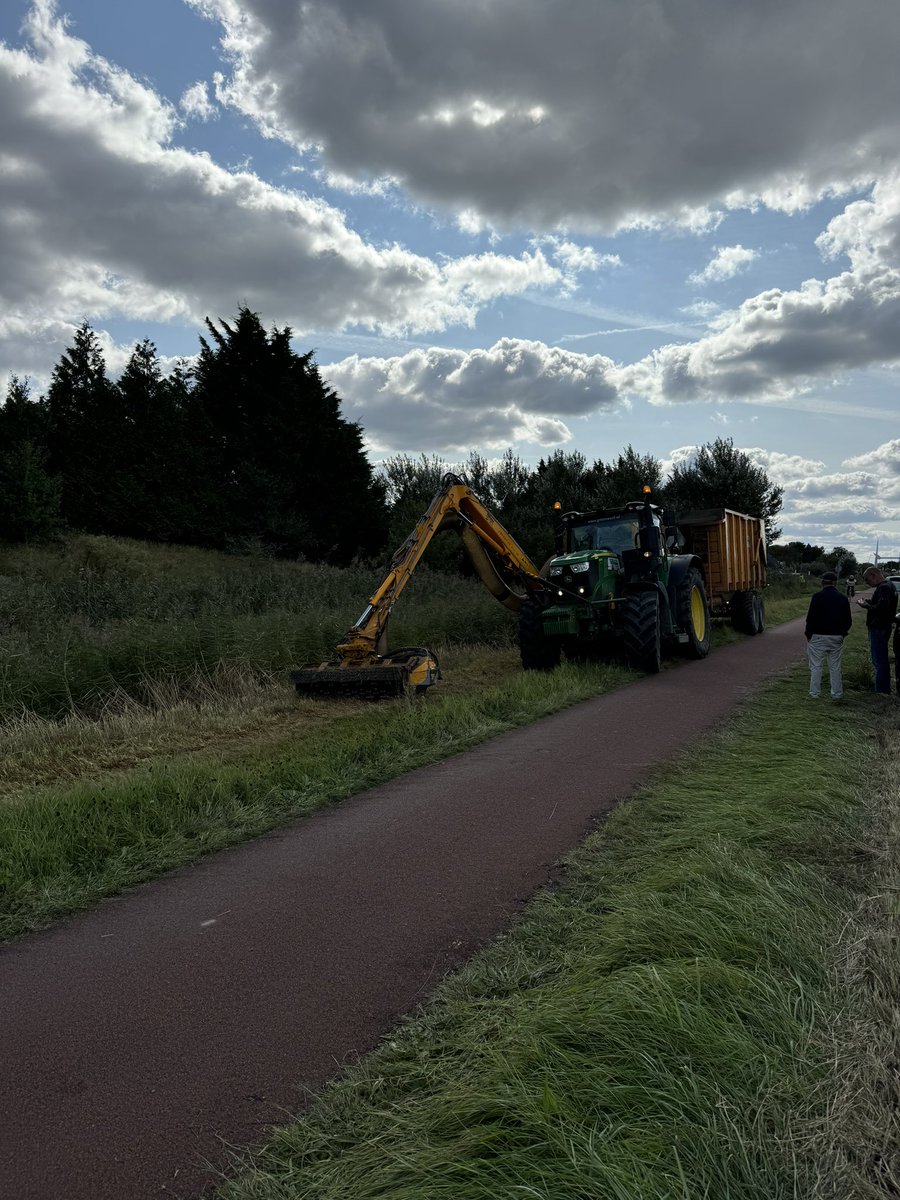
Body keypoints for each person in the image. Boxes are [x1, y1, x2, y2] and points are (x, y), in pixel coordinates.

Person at [805, 571, 852, 699]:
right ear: (835, 583)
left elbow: (810, 618)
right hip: (836, 636)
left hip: (818, 636)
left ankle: (814, 693)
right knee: (835, 667)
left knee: (816, 666)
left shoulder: (817, 597)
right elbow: (848, 620)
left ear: (822, 583)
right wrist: (842, 633)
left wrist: (808, 635)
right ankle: (837, 694)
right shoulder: (843, 598)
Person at [856, 566, 899, 694]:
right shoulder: (889, 585)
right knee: (881, 659)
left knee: (878, 660)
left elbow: (881, 610)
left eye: (867, 579)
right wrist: (870, 601)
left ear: (873, 574)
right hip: (884, 627)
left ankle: (881, 690)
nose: (867, 583)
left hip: (879, 627)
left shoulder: (884, 587)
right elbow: (881, 604)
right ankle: (883, 688)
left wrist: (866, 605)